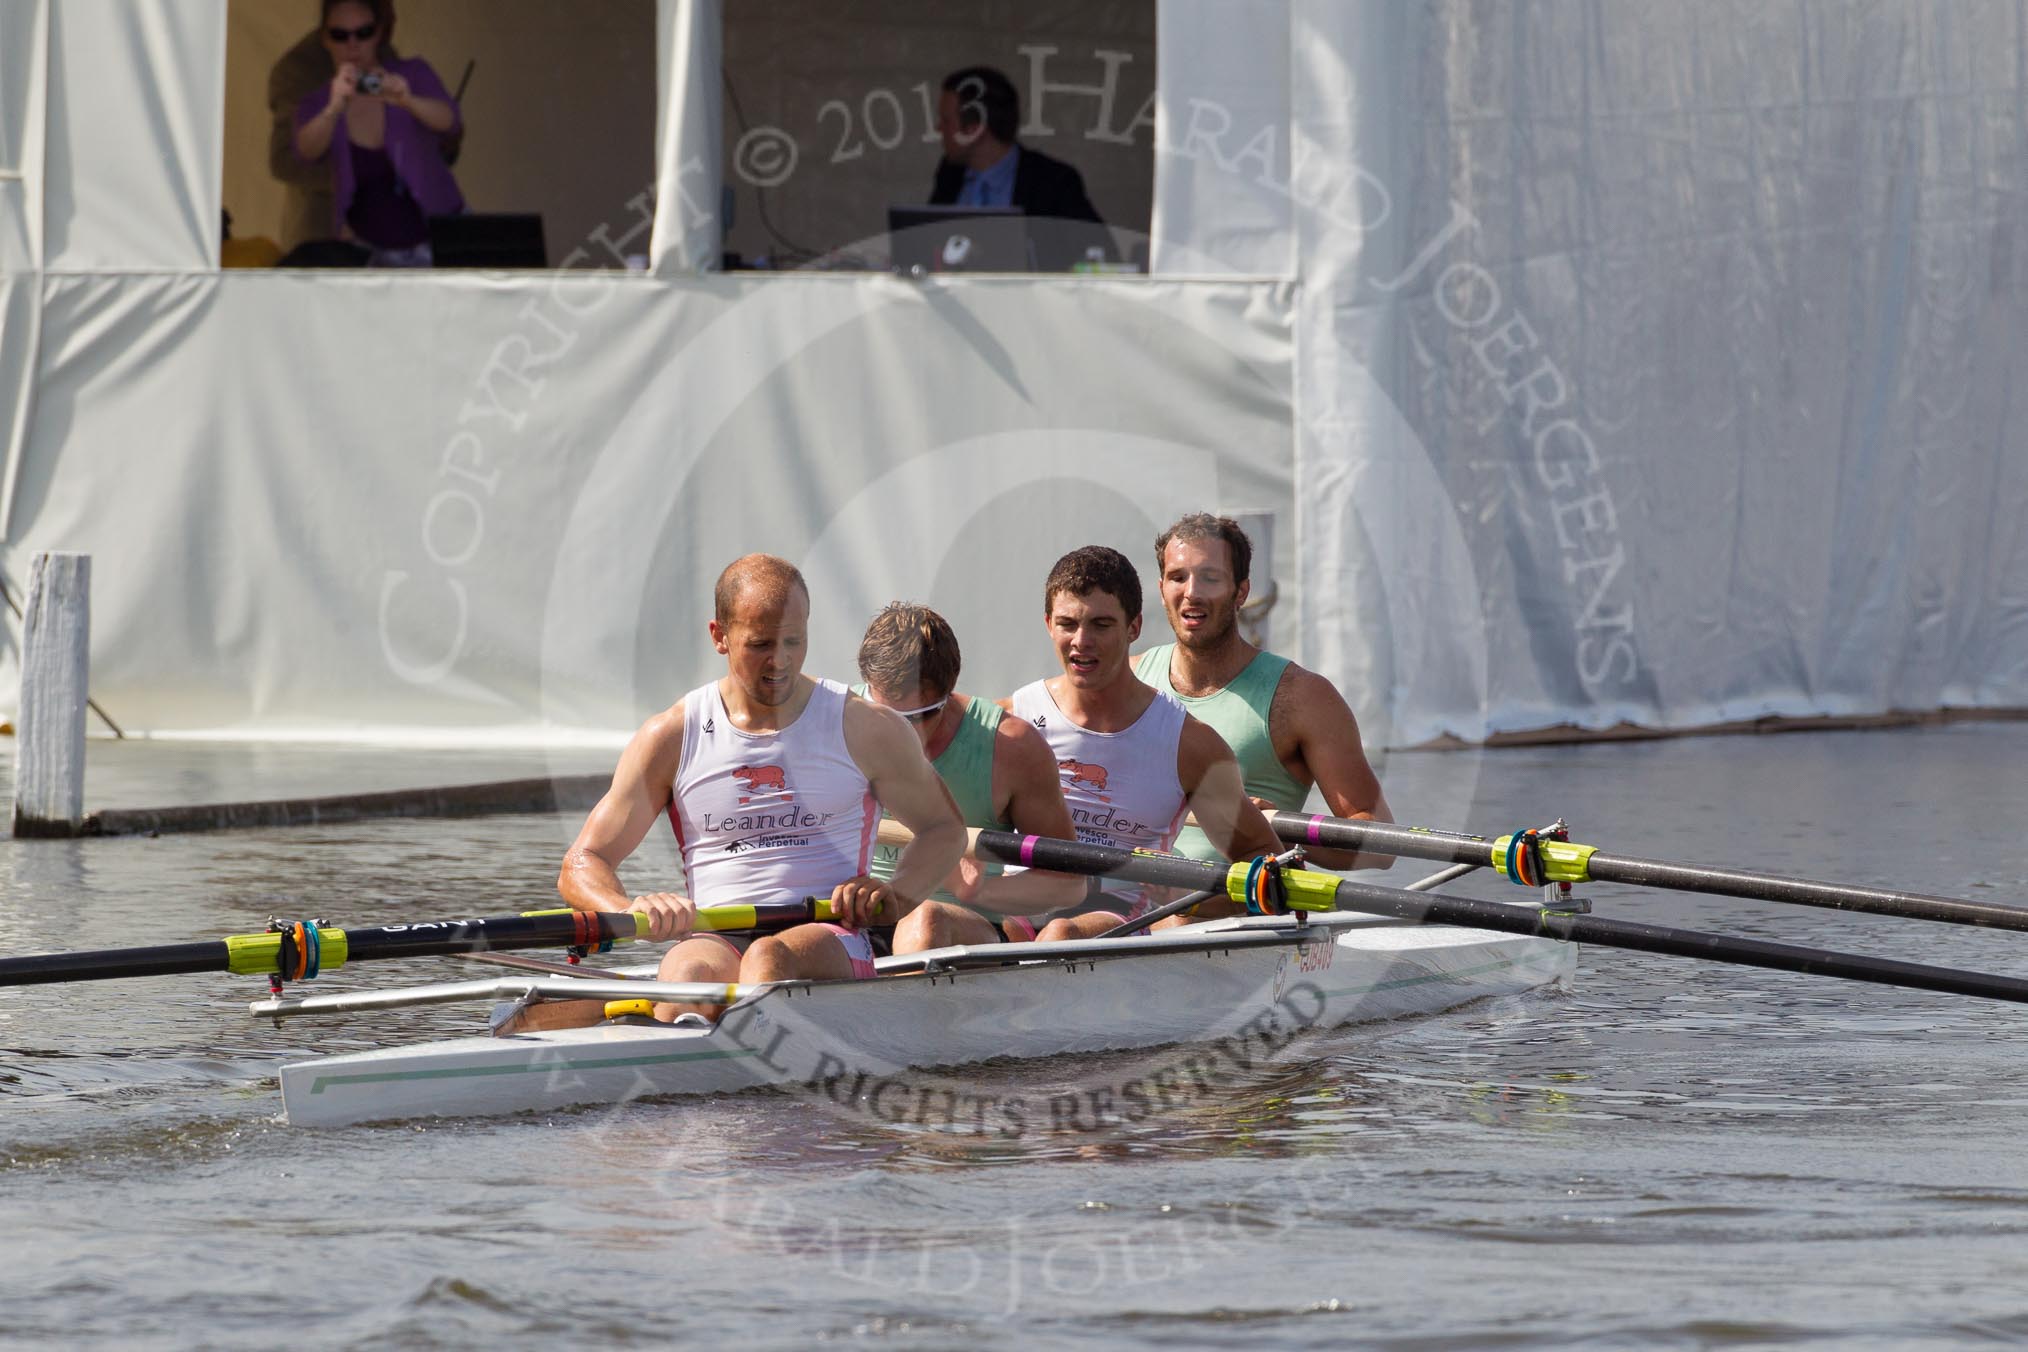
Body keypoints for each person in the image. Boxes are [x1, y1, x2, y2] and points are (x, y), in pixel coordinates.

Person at [559, 556, 966, 1021]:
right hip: (715, 935)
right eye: (760, 645)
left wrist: (897, 896)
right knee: (686, 977)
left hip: (829, 932)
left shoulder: (863, 726)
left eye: (794, 641)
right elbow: (581, 863)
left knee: (767, 960)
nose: (781, 661)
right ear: (719, 636)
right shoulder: (671, 736)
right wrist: (630, 910)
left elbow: (944, 831)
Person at [1005, 546, 1281, 941]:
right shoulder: (1012, 720)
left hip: (1113, 913)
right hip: (1017, 905)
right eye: (1068, 624)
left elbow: (1269, 867)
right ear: (1049, 624)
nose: (1082, 641)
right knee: (927, 924)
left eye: (1101, 625)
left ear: (1133, 627)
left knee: (1060, 934)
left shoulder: (1188, 743)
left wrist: (1196, 898)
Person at [1136, 514, 1395, 872]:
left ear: (1241, 591)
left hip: (1224, 913)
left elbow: (1381, 844)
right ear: (1162, 587)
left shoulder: (1302, 697)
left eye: (1210, 578)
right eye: (1178, 577)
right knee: (1060, 929)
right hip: (1128, 903)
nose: (1191, 592)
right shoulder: (1130, 676)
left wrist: (1273, 831)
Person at [852, 603, 1086, 954]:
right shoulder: (836, 722)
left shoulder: (1010, 748)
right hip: (856, 921)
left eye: (916, 717)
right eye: (885, 715)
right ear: (869, 688)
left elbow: (1070, 883)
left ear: (947, 694)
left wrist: (977, 892)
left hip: (961, 925)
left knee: (926, 922)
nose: (897, 734)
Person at [291, 0, 464, 267]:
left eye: (364, 33)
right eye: (340, 35)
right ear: (324, 39)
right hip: (371, 252)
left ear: (380, 33)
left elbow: (450, 122)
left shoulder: (412, 73)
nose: (353, 44)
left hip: (439, 240)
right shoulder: (320, 100)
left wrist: (408, 101)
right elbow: (304, 151)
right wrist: (334, 108)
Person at [929, 66, 1109, 269]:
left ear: (974, 129)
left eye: (946, 120)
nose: (939, 128)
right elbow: (927, 245)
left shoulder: (1053, 181)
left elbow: (1098, 254)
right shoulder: (950, 175)